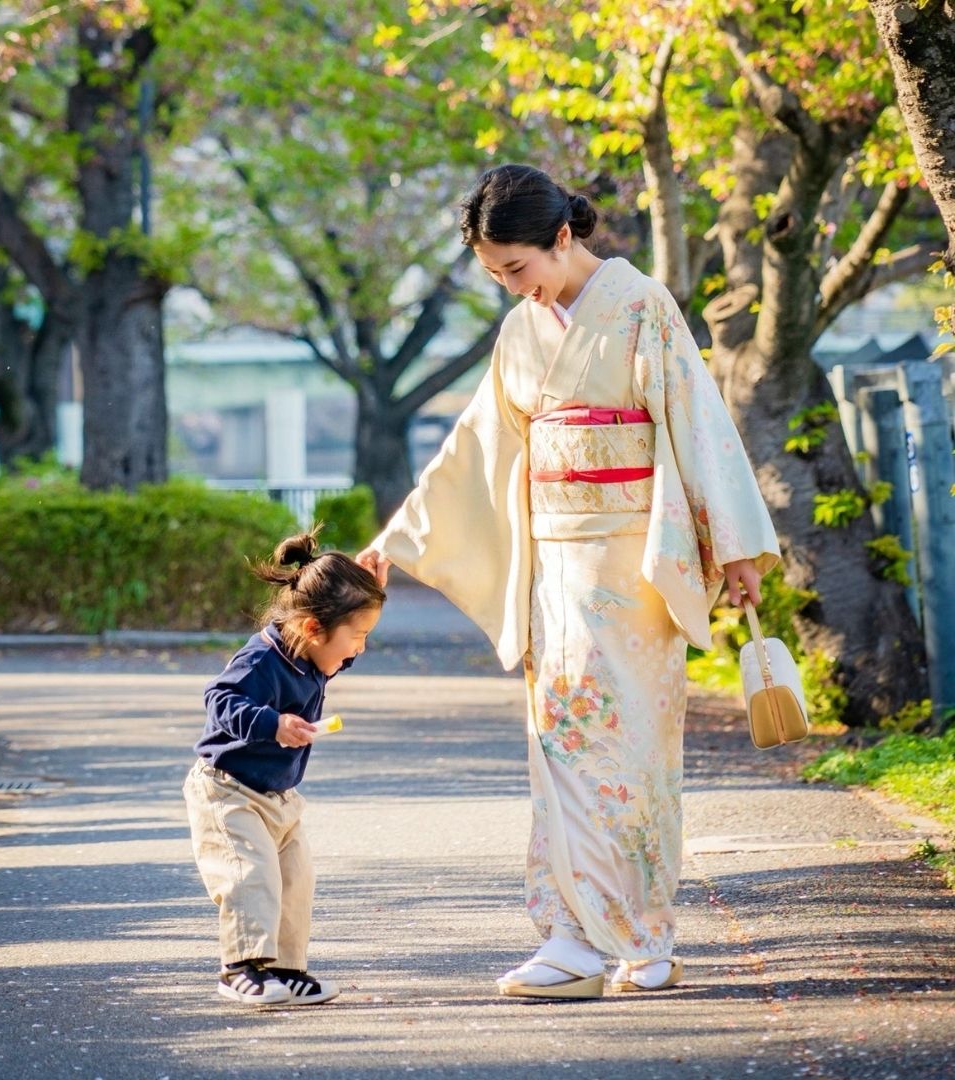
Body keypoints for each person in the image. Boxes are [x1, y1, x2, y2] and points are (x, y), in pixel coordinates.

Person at [357, 164, 779, 998]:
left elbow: (697, 420)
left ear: (561, 236)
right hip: (554, 566)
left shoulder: (641, 305)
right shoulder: (521, 331)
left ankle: (642, 937)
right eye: (498, 276)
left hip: (633, 570)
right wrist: (398, 537)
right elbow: (477, 448)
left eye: (518, 267)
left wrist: (731, 547)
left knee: (627, 749)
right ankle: (572, 937)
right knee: (558, 741)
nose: (516, 287)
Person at [184, 527, 385, 1006]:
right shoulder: (261, 659)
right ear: (314, 628)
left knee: (295, 880)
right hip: (229, 792)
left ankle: (285, 969)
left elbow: (340, 649)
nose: (359, 649)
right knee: (248, 876)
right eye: (356, 637)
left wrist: (375, 589)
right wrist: (271, 724)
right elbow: (218, 699)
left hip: (280, 798)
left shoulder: (314, 655)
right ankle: (239, 970)